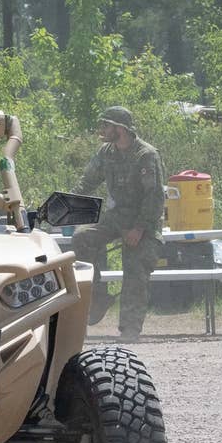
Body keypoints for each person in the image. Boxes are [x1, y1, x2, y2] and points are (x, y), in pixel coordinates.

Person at [71, 106, 165, 343]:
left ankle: (130, 329)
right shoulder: (106, 152)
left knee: (135, 267)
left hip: (143, 222)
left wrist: (140, 228)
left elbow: (154, 197)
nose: (101, 130)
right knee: (82, 238)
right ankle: (98, 295)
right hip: (116, 218)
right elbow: (87, 182)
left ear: (119, 128)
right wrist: (66, 203)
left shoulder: (145, 155)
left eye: (106, 125)